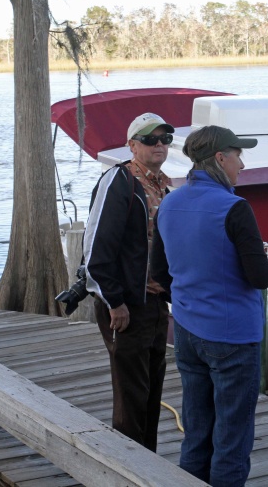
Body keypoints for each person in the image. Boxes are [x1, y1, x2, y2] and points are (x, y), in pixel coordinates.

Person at [150, 125, 268, 487]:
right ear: (220, 158)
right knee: (232, 438)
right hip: (233, 336)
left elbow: (159, 271)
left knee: (197, 428)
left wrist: (190, 297)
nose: (242, 165)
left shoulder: (169, 202)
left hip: (188, 331)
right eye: (238, 155)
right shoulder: (234, 208)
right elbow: (261, 277)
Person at [82, 112, 174, 452]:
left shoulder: (165, 184)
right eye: (150, 139)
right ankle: (126, 466)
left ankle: (147, 461)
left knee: (151, 387)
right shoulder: (119, 181)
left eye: (165, 138)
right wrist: (114, 302)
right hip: (125, 305)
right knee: (130, 393)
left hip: (155, 303)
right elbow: (95, 251)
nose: (159, 144)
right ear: (132, 145)